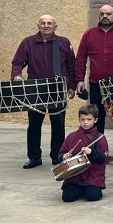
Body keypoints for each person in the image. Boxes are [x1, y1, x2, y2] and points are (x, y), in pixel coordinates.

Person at [11, 14, 76, 169]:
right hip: (35, 88)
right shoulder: (28, 42)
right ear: (38, 25)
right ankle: (34, 157)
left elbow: (71, 66)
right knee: (34, 124)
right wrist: (17, 76)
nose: (46, 26)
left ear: (55, 26)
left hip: (58, 88)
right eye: (43, 23)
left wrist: (71, 86)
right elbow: (17, 62)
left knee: (58, 124)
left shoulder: (63, 42)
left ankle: (57, 156)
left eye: (49, 23)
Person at [75, 5, 113, 167]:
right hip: (96, 85)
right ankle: (97, 153)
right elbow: (81, 58)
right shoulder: (89, 34)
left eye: (108, 13)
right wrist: (80, 79)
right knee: (97, 120)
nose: (105, 16)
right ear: (99, 16)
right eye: (102, 14)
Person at [58, 105, 109, 202]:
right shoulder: (71, 136)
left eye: (89, 119)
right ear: (79, 120)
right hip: (74, 175)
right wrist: (63, 156)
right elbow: (61, 153)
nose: (85, 122)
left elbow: (103, 158)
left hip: (92, 175)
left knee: (93, 197)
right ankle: (80, 188)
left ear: (96, 120)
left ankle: (87, 188)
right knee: (67, 198)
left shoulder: (100, 138)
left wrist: (92, 152)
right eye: (83, 119)